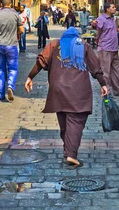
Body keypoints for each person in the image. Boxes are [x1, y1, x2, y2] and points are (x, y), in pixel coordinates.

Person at [25, 26, 108, 167]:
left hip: (58, 90)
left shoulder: (54, 45)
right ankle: (71, 155)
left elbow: (41, 62)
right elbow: (95, 67)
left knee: (64, 122)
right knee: (75, 122)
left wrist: (30, 77)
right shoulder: (83, 45)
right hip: (78, 91)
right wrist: (103, 84)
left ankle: (67, 149)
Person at [0, 0, 24, 102]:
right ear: (10, 5)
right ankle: (10, 86)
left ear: (1, 4)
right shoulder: (15, 14)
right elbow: (21, 30)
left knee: (0, 69)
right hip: (12, 46)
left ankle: (1, 94)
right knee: (12, 68)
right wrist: (16, 34)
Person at [96, 3, 119, 96]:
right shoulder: (101, 19)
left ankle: (117, 89)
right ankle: (106, 89)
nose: (115, 8)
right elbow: (96, 29)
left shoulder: (112, 19)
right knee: (105, 70)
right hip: (105, 48)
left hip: (114, 48)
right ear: (108, 9)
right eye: (113, 7)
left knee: (116, 69)